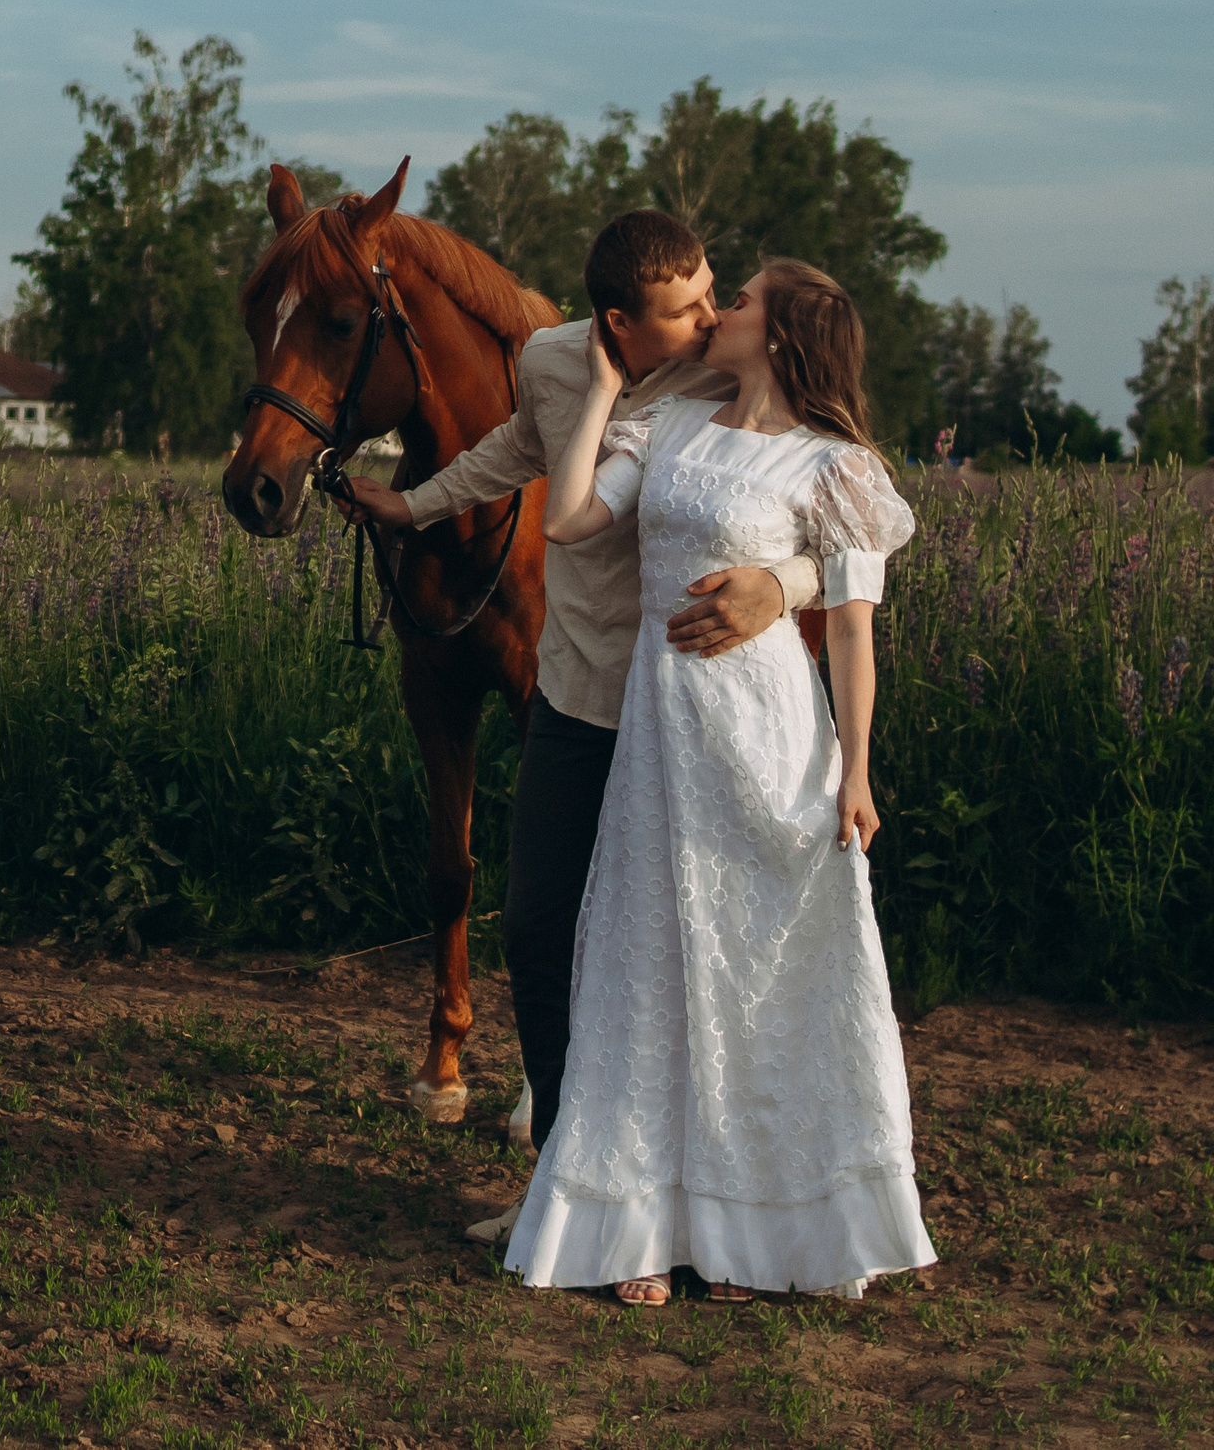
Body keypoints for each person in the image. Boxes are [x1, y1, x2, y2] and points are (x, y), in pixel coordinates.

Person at [338, 212, 822, 1244]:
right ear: (617, 322)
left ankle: (708, 1200)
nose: (707, 317)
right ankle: (563, 1175)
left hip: (690, 709)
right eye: (685, 307)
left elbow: (845, 521)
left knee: (681, 952)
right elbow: (518, 449)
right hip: (576, 692)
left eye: (712, 293)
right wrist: (413, 507)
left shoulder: (726, 381)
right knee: (543, 930)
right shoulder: (555, 362)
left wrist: (779, 586)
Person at [497, 257, 936, 1304]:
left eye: (738, 300)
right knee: (644, 970)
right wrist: (602, 387)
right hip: (662, 740)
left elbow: (854, 638)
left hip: (774, 739)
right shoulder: (673, 427)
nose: (719, 311)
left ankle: (761, 1236)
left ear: (778, 336)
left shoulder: (834, 468)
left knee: (764, 976)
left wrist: (857, 770)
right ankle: (638, 1223)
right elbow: (563, 522)